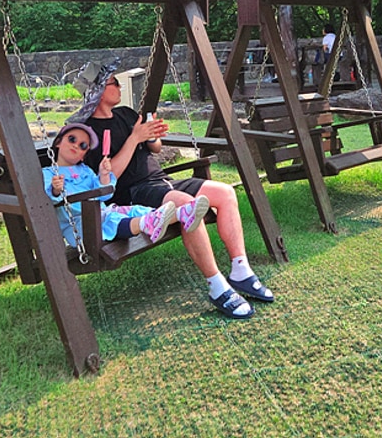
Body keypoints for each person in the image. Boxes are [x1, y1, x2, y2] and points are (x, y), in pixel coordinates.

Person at [72, 61, 274, 320]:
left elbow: (154, 149)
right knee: (186, 205)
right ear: (99, 91)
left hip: (161, 180)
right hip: (133, 193)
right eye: (113, 82)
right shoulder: (89, 133)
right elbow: (109, 180)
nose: (118, 85)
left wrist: (153, 135)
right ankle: (216, 285)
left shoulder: (126, 114)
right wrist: (134, 138)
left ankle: (240, 270)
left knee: (225, 193)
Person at [43, 122, 211, 247]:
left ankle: (182, 213)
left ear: (83, 156)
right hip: (82, 227)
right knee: (113, 218)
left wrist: (103, 176)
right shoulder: (48, 174)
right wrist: (56, 191)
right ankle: (149, 223)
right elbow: (47, 198)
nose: (76, 145)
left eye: (83, 146)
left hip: (102, 212)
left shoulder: (85, 171)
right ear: (58, 142)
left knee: (134, 210)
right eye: (71, 139)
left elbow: (104, 194)